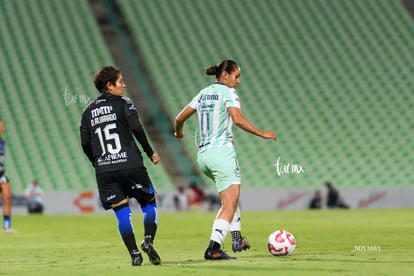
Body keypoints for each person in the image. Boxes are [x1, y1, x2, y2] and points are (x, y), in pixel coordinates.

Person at [174, 59, 277, 260]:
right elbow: (237, 119)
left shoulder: (203, 94)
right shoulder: (228, 92)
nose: (238, 82)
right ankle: (213, 247)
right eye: (236, 76)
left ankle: (237, 238)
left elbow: (179, 118)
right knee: (229, 204)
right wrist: (262, 133)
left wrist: (179, 133)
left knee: (230, 199)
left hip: (203, 156)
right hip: (222, 153)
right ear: (225, 75)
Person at [80, 66, 162, 266]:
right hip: (130, 164)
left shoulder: (87, 111)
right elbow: (135, 127)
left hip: (105, 169)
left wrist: (97, 161)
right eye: (120, 81)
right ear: (109, 86)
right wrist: (149, 151)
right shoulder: (125, 103)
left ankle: (134, 254)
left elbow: (84, 142)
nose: (124, 85)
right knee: (149, 204)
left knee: (121, 212)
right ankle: (148, 241)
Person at [0, 120, 16, 233]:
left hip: (1, 173)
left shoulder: (3, 142)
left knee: (7, 197)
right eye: (1, 126)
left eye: (2, 126)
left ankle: (7, 226)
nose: (3, 128)